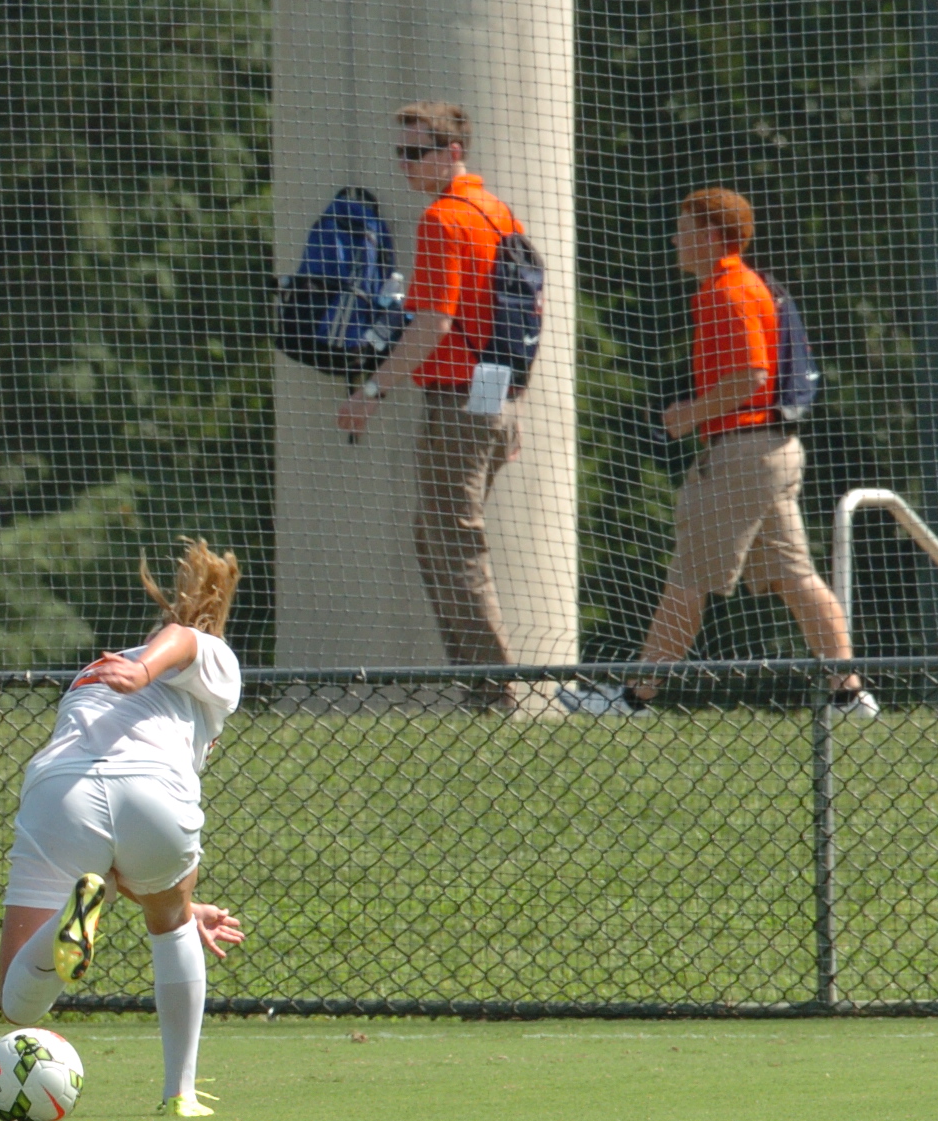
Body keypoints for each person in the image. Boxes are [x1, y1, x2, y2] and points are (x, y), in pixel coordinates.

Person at [563, 187, 879, 721]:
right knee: (794, 577)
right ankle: (850, 696)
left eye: (684, 230)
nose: (675, 240)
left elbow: (751, 375)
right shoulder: (742, 284)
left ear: (711, 236)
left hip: (742, 453)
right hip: (773, 449)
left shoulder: (726, 290)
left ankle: (634, 698)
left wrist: (690, 414)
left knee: (688, 578)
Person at [0, 538, 248, 1118]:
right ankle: (180, 1094)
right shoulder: (212, 655)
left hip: (60, 794)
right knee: (171, 926)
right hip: (153, 788)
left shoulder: (91, 671)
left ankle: (76, 914)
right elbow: (183, 638)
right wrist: (145, 669)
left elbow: (107, 818)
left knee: (18, 1004)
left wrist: (151, 892)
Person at [335, 101, 526, 695]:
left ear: (452, 152)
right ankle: (480, 683)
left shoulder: (443, 219)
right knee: (435, 537)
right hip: (491, 395)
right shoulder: (496, 212)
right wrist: (508, 408)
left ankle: (495, 690)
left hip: (457, 403)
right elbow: (516, 317)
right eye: (400, 153)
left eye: (416, 153)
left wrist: (371, 390)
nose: (405, 164)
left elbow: (433, 325)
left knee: (453, 543)